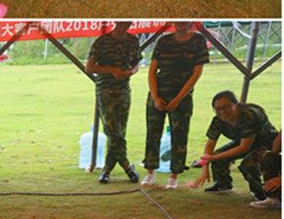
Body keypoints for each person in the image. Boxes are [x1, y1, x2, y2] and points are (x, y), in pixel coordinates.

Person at [141, 22, 209, 189]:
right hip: (158, 92)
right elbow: (152, 71)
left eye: (184, 20)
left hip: (182, 95)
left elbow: (196, 73)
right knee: (153, 133)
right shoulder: (164, 41)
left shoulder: (198, 41)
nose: (180, 23)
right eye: (177, 20)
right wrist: (155, 97)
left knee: (179, 135)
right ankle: (150, 172)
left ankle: (174, 176)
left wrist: (178, 99)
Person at [188, 90, 279, 207]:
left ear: (236, 104)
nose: (222, 111)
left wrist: (213, 157)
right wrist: (205, 167)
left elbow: (244, 148)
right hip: (243, 141)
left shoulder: (249, 115)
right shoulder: (218, 120)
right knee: (218, 154)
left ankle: (261, 193)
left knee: (248, 164)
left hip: (267, 142)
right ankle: (223, 184)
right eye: (218, 109)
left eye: (226, 107)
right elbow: (210, 144)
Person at [85, 22, 142, 184]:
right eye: (122, 21)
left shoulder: (133, 41)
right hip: (106, 91)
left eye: (128, 21)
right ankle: (127, 166)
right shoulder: (102, 42)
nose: (125, 24)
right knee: (112, 131)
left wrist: (130, 72)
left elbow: (137, 64)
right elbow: (89, 67)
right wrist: (113, 70)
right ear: (115, 21)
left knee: (120, 131)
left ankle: (107, 170)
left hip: (124, 90)